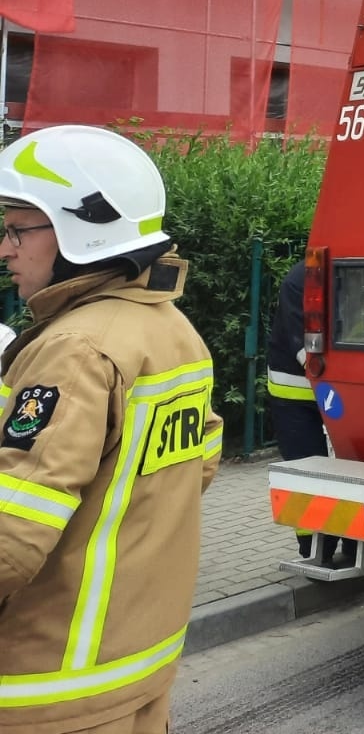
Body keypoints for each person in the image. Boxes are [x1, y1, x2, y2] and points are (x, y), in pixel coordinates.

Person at [0, 124, 222, 733]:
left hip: (51, 680)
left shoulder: (75, 348)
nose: (5, 248)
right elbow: (195, 468)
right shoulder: (174, 331)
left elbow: (13, 530)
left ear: (82, 227)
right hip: (138, 666)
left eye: (18, 228)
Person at [268, 260, 350, 563]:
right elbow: (301, 343)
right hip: (295, 394)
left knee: (351, 468)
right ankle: (316, 549)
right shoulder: (298, 281)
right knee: (306, 471)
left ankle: (356, 544)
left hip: (335, 388)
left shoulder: (346, 273)